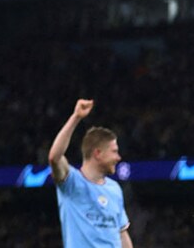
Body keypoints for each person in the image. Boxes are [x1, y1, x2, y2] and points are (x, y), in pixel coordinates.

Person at [48, 99, 133, 248]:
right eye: (114, 152)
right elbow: (55, 157)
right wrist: (76, 117)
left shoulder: (114, 189)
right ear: (98, 153)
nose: (118, 158)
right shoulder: (71, 183)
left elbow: (122, 234)